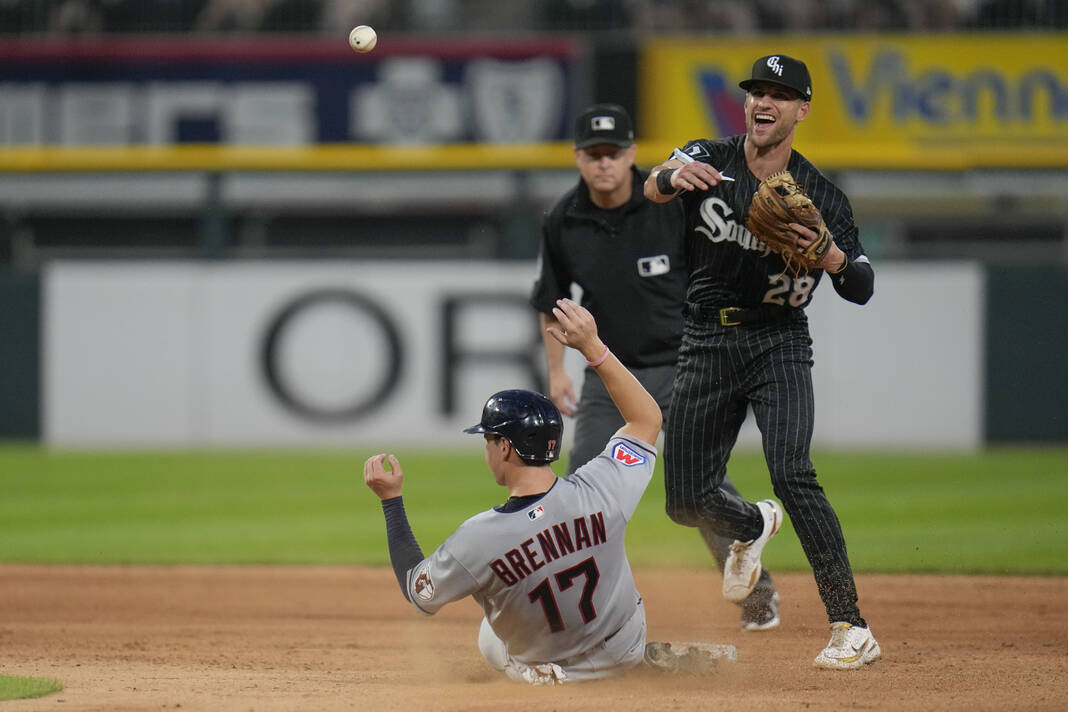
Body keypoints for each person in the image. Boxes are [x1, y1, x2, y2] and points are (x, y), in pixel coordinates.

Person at [643, 54, 881, 670]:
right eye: (756, 92)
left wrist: (829, 254)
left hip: (779, 340)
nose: (763, 102)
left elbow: (860, 284)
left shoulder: (822, 194)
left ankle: (850, 624)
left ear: (801, 110)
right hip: (705, 340)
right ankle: (752, 524)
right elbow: (652, 182)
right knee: (684, 500)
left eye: (780, 94)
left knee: (793, 473)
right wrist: (673, 177)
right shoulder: (711, 156)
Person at [364, 298, 726, 684]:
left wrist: (391, 501)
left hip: (560, 671)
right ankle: (635, 660)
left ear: (504, 447)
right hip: (625, 649)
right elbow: (647, 419)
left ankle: (538, 671)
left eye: (488, 440)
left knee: (490, 637)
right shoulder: (602, 488)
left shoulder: (477, 538)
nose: (487, 449)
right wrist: (593, 347)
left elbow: (417, 591)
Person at [530, 103, 780, 631]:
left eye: (613, 153)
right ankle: (579, 607)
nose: (604, 163)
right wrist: (556, 373)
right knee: (582, 489)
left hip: (683, 361)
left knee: (697, 486)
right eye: (593, 154)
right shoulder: (562, 221)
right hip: (609, 372)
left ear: (631, 154)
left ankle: (757, 593)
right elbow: (551, 301)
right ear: (578, 158)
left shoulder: (670, 204)